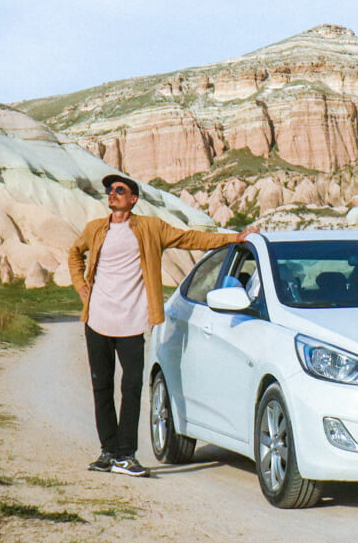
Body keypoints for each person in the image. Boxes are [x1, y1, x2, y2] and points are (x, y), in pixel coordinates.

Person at [68, 172, 249, 477]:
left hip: (132, 323)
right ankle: (108, 453)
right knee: (102, 388)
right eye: (109, 190)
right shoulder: (96, 229)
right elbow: (74, 253)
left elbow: (191, 238)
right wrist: (80, 285)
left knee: (131, 387)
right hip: (97, 321)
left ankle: (126, 455)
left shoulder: (151, 228)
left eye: (119, 190)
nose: (112, 193)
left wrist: (234, 238)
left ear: (133, 199)